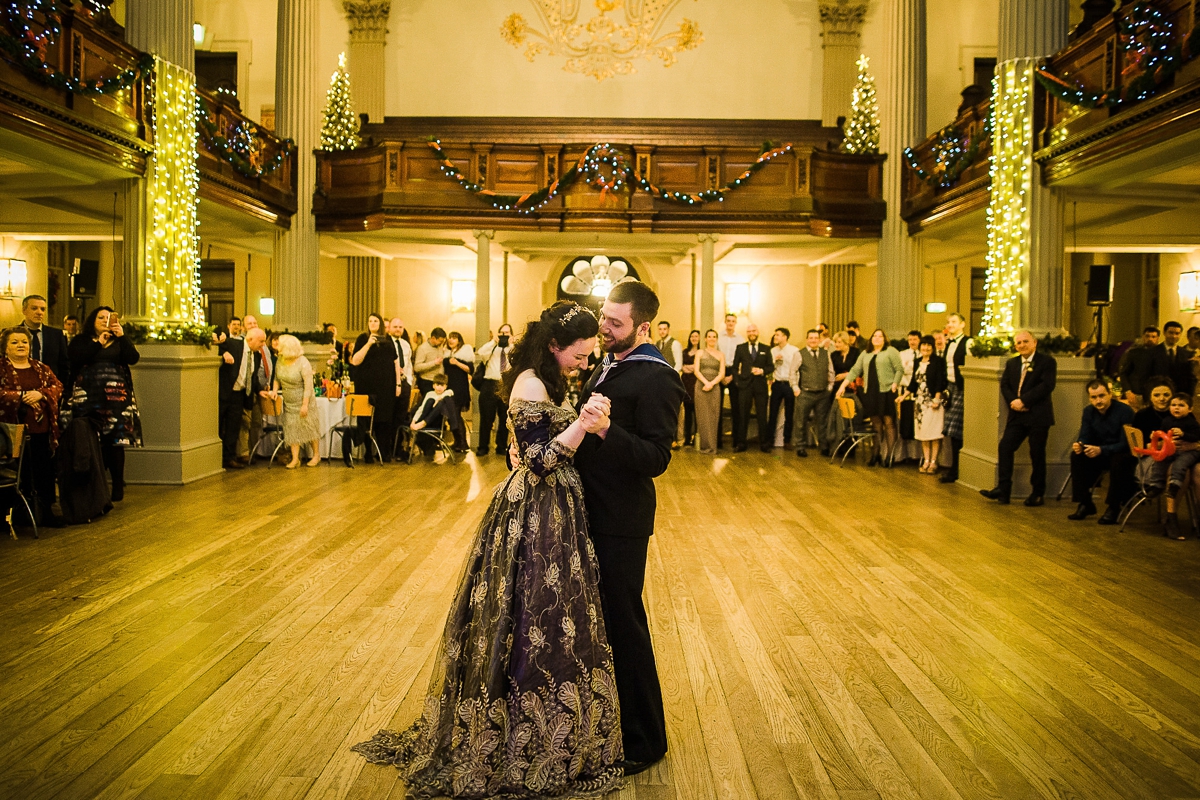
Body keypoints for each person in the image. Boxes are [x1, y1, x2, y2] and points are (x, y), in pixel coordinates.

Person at [353, 302, 625, 798]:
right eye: (580, 356)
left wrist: (564, 429)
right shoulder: (528, 383)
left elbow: (522, 446)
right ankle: (517, 735)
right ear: (553, 346)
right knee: (526, 616)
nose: (585, 364)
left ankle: (557, 733)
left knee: (554, 616)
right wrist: (582, 426)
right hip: (535, 514)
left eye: (589, 356)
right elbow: (539, 462)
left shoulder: (551, 379)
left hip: (558, 511)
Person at [576, 280, 685, 774]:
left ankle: (645, 741)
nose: (604, 327)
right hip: (587, 507)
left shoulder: (658, 377)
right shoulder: (609, 359)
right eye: (603, 317)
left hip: (621, 519)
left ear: (642, 326)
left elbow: (656, 458)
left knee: (626, 625)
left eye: (615, 323)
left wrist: (605, 431)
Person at [67, 307, 140, 502]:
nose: (105, 321)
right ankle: (95, 486)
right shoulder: (81, 341)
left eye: (109, 318)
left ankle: (117, 485)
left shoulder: (119, 342)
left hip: (116, 400)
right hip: (88, 398)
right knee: (90, 441)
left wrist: (122, 337)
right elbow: (77, 358)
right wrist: (99, 342)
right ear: (92, 320)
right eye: (101, 317)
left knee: (116, 443)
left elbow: (133, 358)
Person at [980, 330, 1058, 506]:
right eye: (1018, 343)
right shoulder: (1012, 363)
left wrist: (1024, 400)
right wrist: (1014, 402)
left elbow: (1047, 385)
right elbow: (1005, 384)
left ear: (1034, 342)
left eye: (1025, 341)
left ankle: (1037, 493)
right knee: (1005, 447)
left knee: (1037, 454)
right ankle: (1003, 489)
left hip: (1038, 415)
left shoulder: (1046, 362)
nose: (1022, 345)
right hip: (1017, 415)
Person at [0, 327, 63, 527]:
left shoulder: (41, 368)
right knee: (18, 473)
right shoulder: (1, 367)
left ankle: (44, 514)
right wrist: (20, 397)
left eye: (24, 342)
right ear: (5, 347)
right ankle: (12, 517)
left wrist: (41, 394)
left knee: (43, 471)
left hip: (41, 430)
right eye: (15, 342)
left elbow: (57, 386)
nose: (20, 345)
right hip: (10, 433)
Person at [1067, 379, 1136, 524]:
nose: (1098, 400)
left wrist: (1101, 450)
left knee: (1120, 461)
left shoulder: (1125, 411)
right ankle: (1085, 502)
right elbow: (1085, 435)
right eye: (1093, 397)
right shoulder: (1088, 411)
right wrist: (1081, 444)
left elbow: (1126, 444)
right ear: (1089, 398)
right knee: (1077, 456)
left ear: (1110, 394)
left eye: (1102, 396)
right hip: (1099, 451)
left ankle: (1114, 506)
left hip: (1120, 452)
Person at [1137, 392, 1200, 539]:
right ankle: (1159, 488)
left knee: (1184, 467)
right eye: (1174, 405)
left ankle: (1193, 515)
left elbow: (1196, 437)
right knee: (1164, 464)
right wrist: (1158, 439)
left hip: (1189, 454)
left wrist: (1185, 436)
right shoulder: (1165, 420)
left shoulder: (1191, 422)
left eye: (1181, 405)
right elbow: (1156, 440)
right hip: (1169, 453)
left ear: (1189, 409)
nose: (1176, 408)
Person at [836, 329, 903, 466]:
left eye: (880, 336)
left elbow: (899, 369)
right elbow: (855, 370)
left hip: (887, 391)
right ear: (871, 339)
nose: (877, 338)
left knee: (889, 422)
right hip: (871, 392)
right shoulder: (865, 353)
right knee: (876, 423)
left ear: (885, 339)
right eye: (875, 336)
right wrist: (843, 385)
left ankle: (889, 456)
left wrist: (895, 383)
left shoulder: (891, 351)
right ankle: (875, 454)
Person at [347, 313, 397, 465]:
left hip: (386, 386)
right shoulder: (363, 339)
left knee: (384, 419)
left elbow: (395, 362)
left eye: (376, 321)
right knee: (367, 419)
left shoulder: (388, 340)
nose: (373, 323)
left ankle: (384, 452)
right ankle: (368, 452)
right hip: (366, 385)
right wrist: (368, 344)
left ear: (380, 323)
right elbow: (355, 361)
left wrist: (398, 384)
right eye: (370, 321)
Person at [269, 334, 321, 468]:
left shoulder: (303, 362)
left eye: (280, 345)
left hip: (304, 399)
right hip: (288, 401)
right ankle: (295, 458)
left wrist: (305, 405)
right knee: (291, 429)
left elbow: (308, 385)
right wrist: (274, 390)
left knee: (309, 428)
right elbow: (276, 379)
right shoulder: (280, 360)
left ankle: (316, 455)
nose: (277, 347)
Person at [218, 328, 267, 470]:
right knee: (219, 425)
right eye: (261, 341)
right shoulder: (234, 345)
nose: (263, 344)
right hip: (225, 392)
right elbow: (217, 344)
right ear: (250, 340)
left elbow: (253, 377)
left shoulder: (256, 355)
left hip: (239, 395)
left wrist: (259, 391)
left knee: (234, 427)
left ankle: (229, 458)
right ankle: (216, 459)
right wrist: (224, 353)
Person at [907, 335, 947, 474]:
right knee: (923, 434)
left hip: (932, 402)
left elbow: (940, 381)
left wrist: (937, 399)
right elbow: (913, 382)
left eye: (929, 345)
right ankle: (926, 460)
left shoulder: (938, 362)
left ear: (933, 347)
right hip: (919, 403)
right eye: (923, 345)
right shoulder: (917, 361)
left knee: (934, 433)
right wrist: (903, 396)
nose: (926, 348)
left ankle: (934, 462)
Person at [732, 323, 773, 452]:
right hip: (745, 385)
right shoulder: (741, 348)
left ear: (758, 332)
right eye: (749, 331)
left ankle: (764, 443)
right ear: (747, 333)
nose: (751, 333)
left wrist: (762, 371)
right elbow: (734, 367)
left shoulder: (766, 349)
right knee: (743, 415)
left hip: (760, 386)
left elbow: (771, 367)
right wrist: (738, 382)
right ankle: (741, 443)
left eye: (754, 331)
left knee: (762, 415)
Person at [474, 323, 513, 456]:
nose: (504, 336)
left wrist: (512, 343)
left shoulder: (513, 349)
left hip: (506, 385)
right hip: (489, 385)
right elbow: (480, 352)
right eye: (502, 333)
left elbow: (522, 358)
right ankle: (483, 446)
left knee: (504, 418)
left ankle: (501, 446)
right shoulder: (492, 349)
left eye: (507, 333)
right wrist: (493, 342)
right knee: (486, 417)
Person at [795, 329, 834, 457]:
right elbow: (793, 372)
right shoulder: (799, 354)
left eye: (815, 338)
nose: (813, 340)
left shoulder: (825, 353)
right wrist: (795, 388)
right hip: (805, 392)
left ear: (819, 340)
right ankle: (800, 446)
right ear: (807, 339)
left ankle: (824, 446)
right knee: (801, 421)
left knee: (822, 422)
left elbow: (830, 371)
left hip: (822, 393)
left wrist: (830, 387)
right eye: (811, 338)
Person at [940, 313, 970, 483]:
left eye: (953, 322)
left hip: (962, 388)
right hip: (950, 388)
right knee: (951, 431)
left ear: (962, 324)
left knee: (956, 430)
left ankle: (958, 470)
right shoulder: (948, 343)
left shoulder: (968, 343)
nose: (950, 325)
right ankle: (954, 468)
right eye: (948, 322)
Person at [409, 374, 466, 457]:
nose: (439, 387)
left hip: (436, 421)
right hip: (424, 415)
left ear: (445, 386)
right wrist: (413, 421)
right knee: (430, 400)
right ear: (433, 385)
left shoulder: (448, 393)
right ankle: (422, 423)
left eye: (442, 385)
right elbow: (421, 409)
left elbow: (450, 392)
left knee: (442, 403)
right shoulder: (429, 393)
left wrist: (439, 398)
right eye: (437, 385)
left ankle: (424, 423)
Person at [19, 295, 69, 384]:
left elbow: (63, 366)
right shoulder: (12, 333)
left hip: (50, 388)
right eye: (34, 308)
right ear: (24, 310)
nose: (39, 312)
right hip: (20, 386)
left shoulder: (56, 335)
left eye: (42, 309)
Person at [383, 318, 413, 460]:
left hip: (404, 382)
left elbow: (409, 364)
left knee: (401, 418)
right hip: (390, 384)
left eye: (400, 327)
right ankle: (387, 449)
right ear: (389, 328)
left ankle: (398, 448)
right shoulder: (385, 343)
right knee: (389, 417)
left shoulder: (406, 345)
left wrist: (409, 381)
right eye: (395, 326)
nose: (398, 329)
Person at [1120, 326, 1171, 408]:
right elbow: (1124, 373)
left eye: (1153, 337)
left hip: (1157, 393)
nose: (1150, 339)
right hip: (1137, 393)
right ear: (1143, 337)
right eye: (1147, 336)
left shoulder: (1164, 354)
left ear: (1158, 338)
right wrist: (1128, 391)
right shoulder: (1134, 353)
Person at [693, 329, 725, 454]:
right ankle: (704, 446)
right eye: (709, 336)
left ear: (716, 339)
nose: (712, 339)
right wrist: (705, 382)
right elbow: (696, 370)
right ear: (705, 339)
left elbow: (722, 373)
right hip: (701, 386)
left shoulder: (720, 354)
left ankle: (713, 447)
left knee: (713, 416)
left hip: (715, 387)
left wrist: (712, 383)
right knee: (702, 417)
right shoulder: (700, 352)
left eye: (714, 337)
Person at [767, 327, 800, 449]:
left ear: (785, 337)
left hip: (789, 383)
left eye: (778, 335)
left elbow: (797, 368)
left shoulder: (794, 351)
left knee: (789, 413)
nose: (775, 337)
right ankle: (770, 439)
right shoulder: (773, 351)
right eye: (775, 335)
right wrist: (774, 361)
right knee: (773, 412)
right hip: (777, 383)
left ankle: (787, 440)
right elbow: (769, 368)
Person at [716, 313, 744, 449]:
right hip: (720, 371)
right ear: (725, 322)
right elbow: (714, 355)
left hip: (734, 373)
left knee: (736, 408)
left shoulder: (740, 339)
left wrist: (732, 376)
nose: (730, 323)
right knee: (718, 408)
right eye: (728, 321)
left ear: (736, 323)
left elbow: (742, 361)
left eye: (733, 321)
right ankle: (718, 440)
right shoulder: (718, 337)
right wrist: (721, 375)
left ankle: (736, 440)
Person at [655, 321, 684, 448]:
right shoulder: (656, 344)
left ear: (668, 330)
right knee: (662, 411)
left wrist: (671, 378)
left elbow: (678, 364)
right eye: (660, 329)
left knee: (674, 410)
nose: (662, 331)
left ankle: (676, 439)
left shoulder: (675, 343)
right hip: (659, 382)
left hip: (672, 381)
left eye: (664, 329)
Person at [897, 330, 923, 463]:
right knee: (905, 424)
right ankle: (906, 454)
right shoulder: (903, 354)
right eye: (910, 340)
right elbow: (901, 370)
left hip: (918, 393)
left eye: (915, 339)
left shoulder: (923, 355)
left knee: (916, 424)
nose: (912, 342)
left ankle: (917, 455)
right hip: (905, 391)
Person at [680, 329, 701, 447]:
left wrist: (692, 367)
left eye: (696, 336)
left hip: (697, 383)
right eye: (692, 336)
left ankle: (697, 437)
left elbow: (698, 368)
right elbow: (683, 366)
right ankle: (687, 438)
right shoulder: (684, 352)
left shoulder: (701, 352)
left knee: (697, 412)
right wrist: (691, 367)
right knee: (687, 412)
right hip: (686, 383)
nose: (694, 338)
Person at [1163, 321, 1195, 396]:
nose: (1174, 336)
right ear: (1164, 333)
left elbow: (1190, 378)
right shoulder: (1153, 352)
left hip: (1180, 394)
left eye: (1177, 333)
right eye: (1171, 333)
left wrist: (1189, 396)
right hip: (1160, 394)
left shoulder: (1187, 354)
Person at [414, 327, 447, 397]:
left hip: (439, 381)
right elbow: (417, 367)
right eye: (440, 341)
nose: (441, 343)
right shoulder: (422, 348)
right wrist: (434, 363)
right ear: (433, 338)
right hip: (427, 382)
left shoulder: (439, 346)